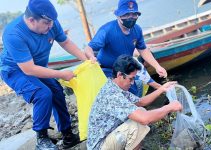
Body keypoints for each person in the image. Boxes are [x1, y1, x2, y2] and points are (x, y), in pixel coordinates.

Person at [0, 0, 87, 149]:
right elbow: (28, 69)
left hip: (37, 66)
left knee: (57, 92)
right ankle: (42, 139)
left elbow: (65, 42)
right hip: (15, 71)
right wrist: (60, 74)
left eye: (51, 22)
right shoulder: (13, 33)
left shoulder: (50, 22)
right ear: (31, 20)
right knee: (43, 94)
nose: (50, 26)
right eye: (46, 23)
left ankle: (67, 135)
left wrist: (87, 60)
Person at [87, 55, 182, 150]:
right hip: (100, 146)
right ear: (120, 75)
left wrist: (161, 89)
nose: (132, 83)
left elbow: (140, 102)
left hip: (108, 138)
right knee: (137, 124)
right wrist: (169, 107)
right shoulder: (112, 95)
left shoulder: (115, 86)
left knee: (140, 110)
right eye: (131, 79)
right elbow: (144, 119)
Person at [85, 0, 167, 95]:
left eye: (134, 14)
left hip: (126, 69)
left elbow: (143, 49)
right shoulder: (107, 30)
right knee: (119, 95)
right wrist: (91, 57)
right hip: (106, 70)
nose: (130, 18)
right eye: (126, 14)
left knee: (136, 90)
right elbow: (88, 48)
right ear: (118, 15)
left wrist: (157, 66)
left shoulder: (137, 29)